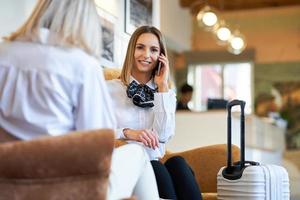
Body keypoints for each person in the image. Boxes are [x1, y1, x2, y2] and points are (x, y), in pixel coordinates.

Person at [0, 1, 159, 200]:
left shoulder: (3, 54)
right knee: (137, 154)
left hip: (8, 185)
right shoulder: (81, 64)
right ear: (84, 21)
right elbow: (98, 142)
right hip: (67, 186)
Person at [106, 25, 202, 200]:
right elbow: (95, 133)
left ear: (161, 56)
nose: (147, 55)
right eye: (140, 47)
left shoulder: (166, 94)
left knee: (178, 164)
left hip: (156, 165)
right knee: (155, 168)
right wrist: (128, 133)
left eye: (154, 50)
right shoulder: (109, 89)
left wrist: (162, 87)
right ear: (131, 50)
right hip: (125, 166)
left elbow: (163, 136)